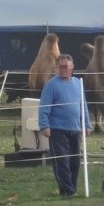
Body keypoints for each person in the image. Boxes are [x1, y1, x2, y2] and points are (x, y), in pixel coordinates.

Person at [38, 54, 91, 197]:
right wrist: (44, 125)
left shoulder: (77, 83)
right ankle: (68, 190)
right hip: (57, 131)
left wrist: (86, 124)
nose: (64, 69)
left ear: (72, 67)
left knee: (75, 162)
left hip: (75, 130)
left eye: (67, 67)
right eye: (61, 67)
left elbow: (83, 106)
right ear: (57, 67)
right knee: (61, 162)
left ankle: (71, 188)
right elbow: (44, 107)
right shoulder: (51, 85)